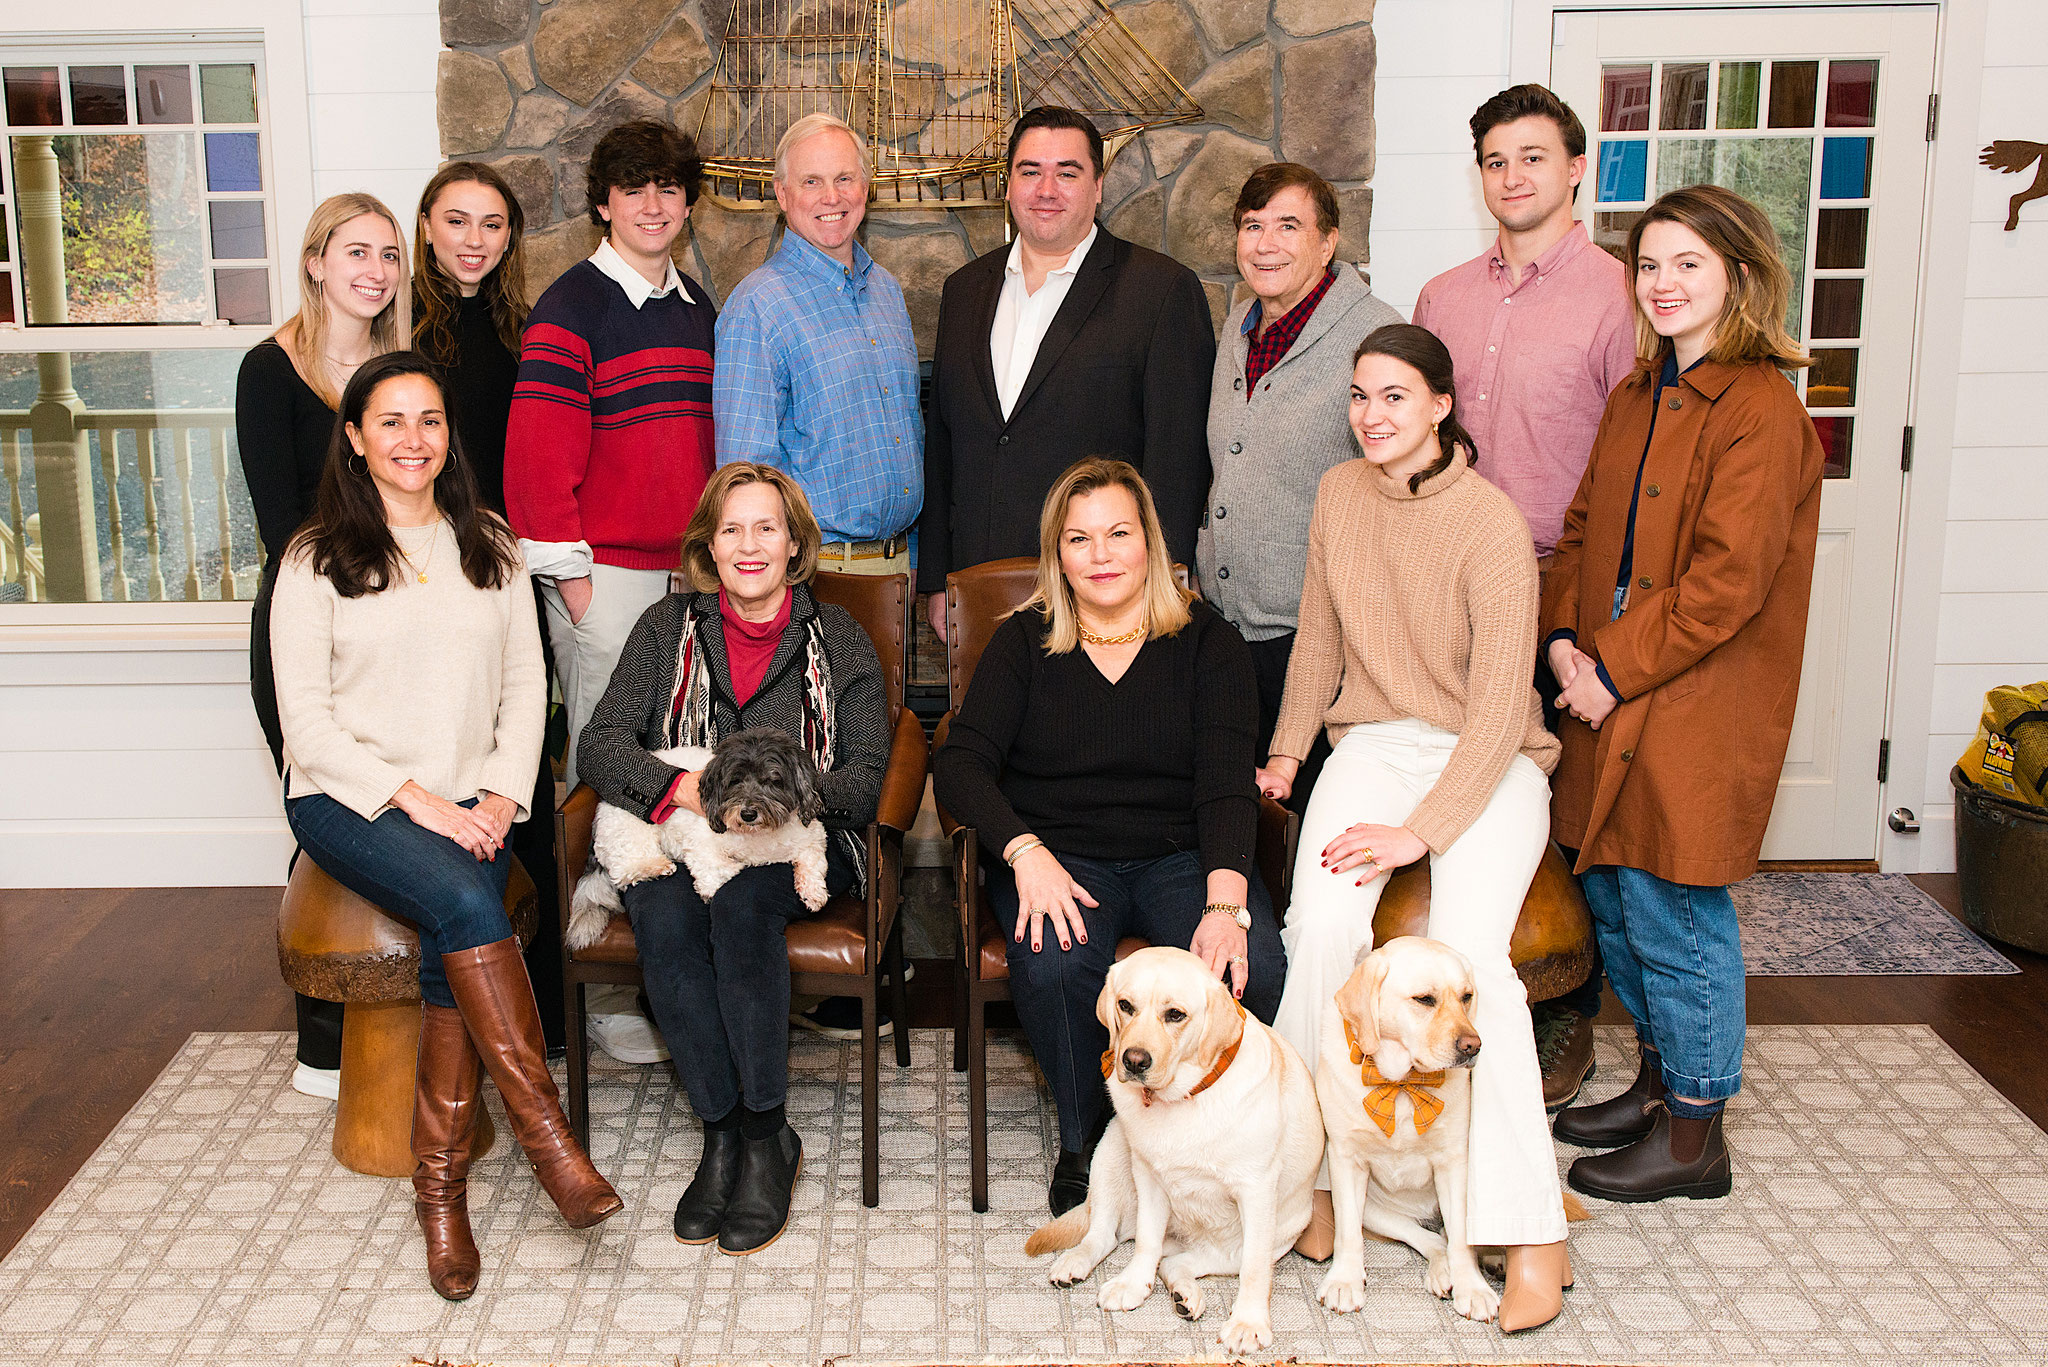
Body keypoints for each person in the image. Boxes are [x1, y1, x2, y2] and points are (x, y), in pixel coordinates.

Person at [269, 352, 622, 1302]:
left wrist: (505, 794)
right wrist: (419, 797)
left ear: (449, 436)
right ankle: (551, 1144)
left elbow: (524, 686)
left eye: (430, 420)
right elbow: (308, 728)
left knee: (454, 926)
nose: (413, 440)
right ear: (354, 437)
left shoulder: (492, 545)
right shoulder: (313, 560)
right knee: (470, 899)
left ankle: (442, 1196)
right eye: (390, 421)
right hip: (352, 799)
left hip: (478, 799)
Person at [1260, 324, 1571, 1332]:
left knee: (1474, 958)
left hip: (1488, 759)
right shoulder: (1338, 495)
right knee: (1318, 930)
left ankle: (1528, 1229)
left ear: (1440, 404)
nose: (1370, 415)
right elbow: (1316, 637)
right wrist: (1284, 751)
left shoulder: (1489, 522)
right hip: (1375, 741)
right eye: (1358, 394)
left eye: (1393, 395)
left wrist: (1418, 833)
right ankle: (1307, 1171)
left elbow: (1493, 708)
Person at [1544, 184, 1822, 1206]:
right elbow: (1577, 534)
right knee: (1613, 896)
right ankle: (1660, 1083)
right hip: (1602, 682)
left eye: (1686, 265)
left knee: (1675, 906)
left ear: (1737, 277)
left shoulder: (1758, 408)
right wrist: (1565, 644)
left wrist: (1605, 665)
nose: (1662, 285)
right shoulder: (1633, 393)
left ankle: (1696, 1131)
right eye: (1648, 266)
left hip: (1691, 693)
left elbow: (1725, 583)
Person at [934, 457, 1285, 1217]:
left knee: (1248, 971)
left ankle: (1203, 1129)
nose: (1100, 554)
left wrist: (1224, 908)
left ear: (1150, 541)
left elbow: (1227, 783)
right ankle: (1089, 1138)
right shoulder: (1024, 642)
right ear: (1056, 553)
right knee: (1056, 964)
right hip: (1059, 858)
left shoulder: (1208, 642)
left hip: (1180, 852)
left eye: (1118, 533)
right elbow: (960, 764)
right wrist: (1024, 852)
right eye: (1079, 538)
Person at [575, 463, 891, 1256]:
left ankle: (767, 1134)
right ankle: (720, 1130)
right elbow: (600, 744)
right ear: (707, 546)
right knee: (662, 909)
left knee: (745, 904)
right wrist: (691, 790)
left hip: (808, 842)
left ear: (794, 544)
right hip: (688, 832)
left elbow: (865, 775)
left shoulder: (840, 638)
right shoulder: (664, 629)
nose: (749, 545)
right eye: (731, 529)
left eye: (766, 528)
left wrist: (772, 804)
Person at [1412, 83, 1639, 1112]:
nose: (1512, 177)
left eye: (1533, 158)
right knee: (1458, 784)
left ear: (1574, 168)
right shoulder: (1440, 298)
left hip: (1562, 581)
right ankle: (1453, 990)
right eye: (1495, 160)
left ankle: (1560, 1013)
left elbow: (1635, 467)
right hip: (1449, 580)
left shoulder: (1617, 298)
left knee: (1559, 804)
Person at [505, 118, 718, 1067]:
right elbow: (534, 467)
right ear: (603, 202)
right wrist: (580, 588)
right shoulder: (569, 310)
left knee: (679, 768)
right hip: (613, 581)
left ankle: (675, 963)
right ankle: (605, 991)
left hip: (692, 577)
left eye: (670, 189)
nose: (653, 204)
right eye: (634, 189)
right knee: (609, 776)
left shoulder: (694, 306)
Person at [235, 191, 410, 1101]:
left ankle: (399, 1011)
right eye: (356, 252)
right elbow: (281, 530)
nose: (375, 270)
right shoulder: (269, 371)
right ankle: (321, 1032)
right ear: (315, 262)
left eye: (388, 254)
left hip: (398, 640)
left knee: (395, 823)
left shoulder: (406, 375)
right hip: (305, 627)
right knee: (323, 822)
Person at [920, 105, 1214, 641]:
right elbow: (942, 447)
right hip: (981, 589)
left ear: (1098, 186)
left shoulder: (1160, 291)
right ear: (1008, 186)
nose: (1046, 189)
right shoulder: (963, 290)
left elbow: (1179, 457)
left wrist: (1166, 581)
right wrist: (938, 581)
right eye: (1030, 171)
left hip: (1105, 592)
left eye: (1067, 172)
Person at [412, 161, 566, 1052]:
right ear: (427, 225)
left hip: (506, 575)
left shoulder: (525, 329)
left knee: (524, 774)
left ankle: (537, 1006)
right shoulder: (404, 335)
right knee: (441, 770)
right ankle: (452, 1004)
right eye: (457, 221)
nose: (475, 240)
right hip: (427, 578)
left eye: (494, 224)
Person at [1197, 162, 1402, 809]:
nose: (1265, 244)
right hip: (1229, 627)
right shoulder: (1239, 326)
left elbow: (1404, 485)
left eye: (1288, 226)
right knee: (1241, 812)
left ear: (1327, 240)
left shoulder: (1374, 332)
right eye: (1252, 226)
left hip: (1315, 637)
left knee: (1309, 818)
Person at [714, 112, 922, 579]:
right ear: (783, 196)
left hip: (899, 565)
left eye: (845, 178)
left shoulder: (887, 291)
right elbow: (745, 477)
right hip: (815, 574)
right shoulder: (758, 306)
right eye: (812, 181)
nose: (832, 197)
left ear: (865, 188)